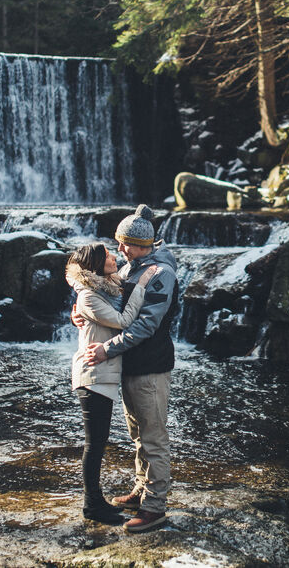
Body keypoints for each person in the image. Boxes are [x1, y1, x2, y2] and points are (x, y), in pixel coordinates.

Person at [78, 204, 179, 534]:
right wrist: (78, 313)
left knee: (153, 437)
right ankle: (141, 489)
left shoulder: (160, 275)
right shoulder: (131, 267)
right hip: (131, 364)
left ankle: (154, 507)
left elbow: (146, 326)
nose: (119, 250)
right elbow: (101, 296)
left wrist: (106, 350)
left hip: (150, 366)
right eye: (119, 243)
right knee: (138, 434)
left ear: (144, 244)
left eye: (125, 244)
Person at [65, 242, 159, 525]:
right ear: (95, 263)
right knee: (94, 445)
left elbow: (102, 318)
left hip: (102, 375)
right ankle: (92, 505)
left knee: (98, 443)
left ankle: (95, 501)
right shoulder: (88, 296)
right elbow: (124, 320)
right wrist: (142, 283)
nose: (114, 255)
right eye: (107, 255)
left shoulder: (101, 289)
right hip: (93, 375)